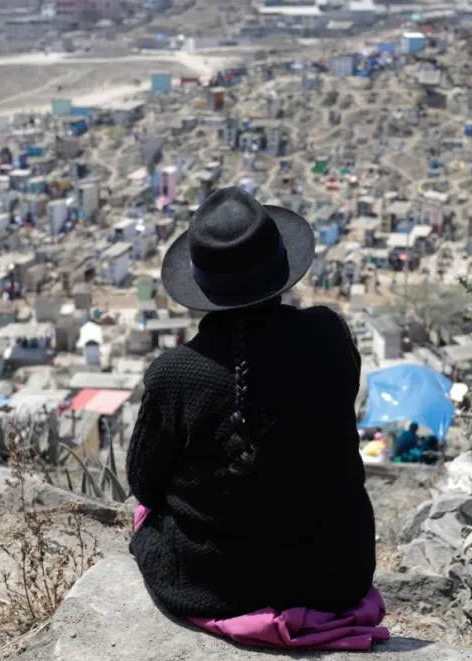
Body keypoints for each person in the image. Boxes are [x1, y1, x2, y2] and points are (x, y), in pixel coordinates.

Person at [127, 187, 377, 621]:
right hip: (337, 575)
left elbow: (145, 483)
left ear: (200, 283)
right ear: (281, 266)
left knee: (149, 526)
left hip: (218, 585)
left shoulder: (175, 374)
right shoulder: (330, 334)